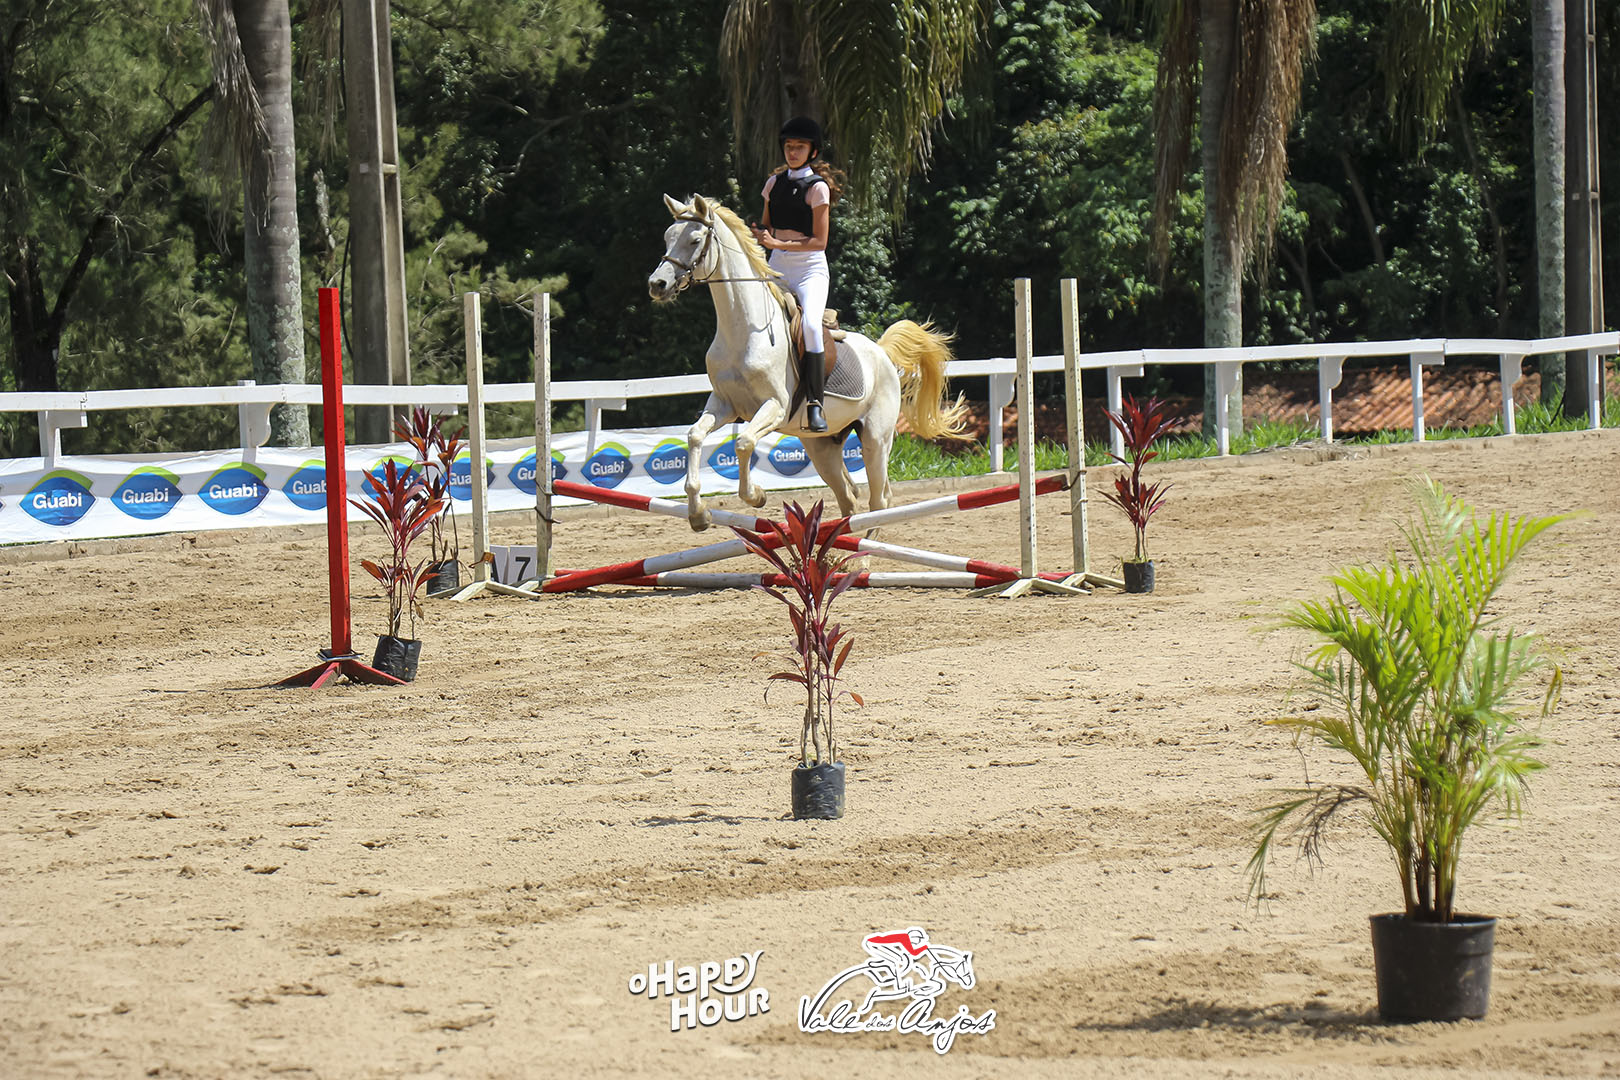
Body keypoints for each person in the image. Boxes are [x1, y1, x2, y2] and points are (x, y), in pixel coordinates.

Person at [751, 116, 844, 433]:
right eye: (789, 147)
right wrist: (755, 235)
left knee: (809, 327)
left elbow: (820, 241)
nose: (792, 152)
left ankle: (815, 405)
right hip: (776, 264)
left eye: (799, 147)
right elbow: (765, 224)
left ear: (812, 151)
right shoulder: (773, 184)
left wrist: (777, 241)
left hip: (809, 271)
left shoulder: (817, 188)